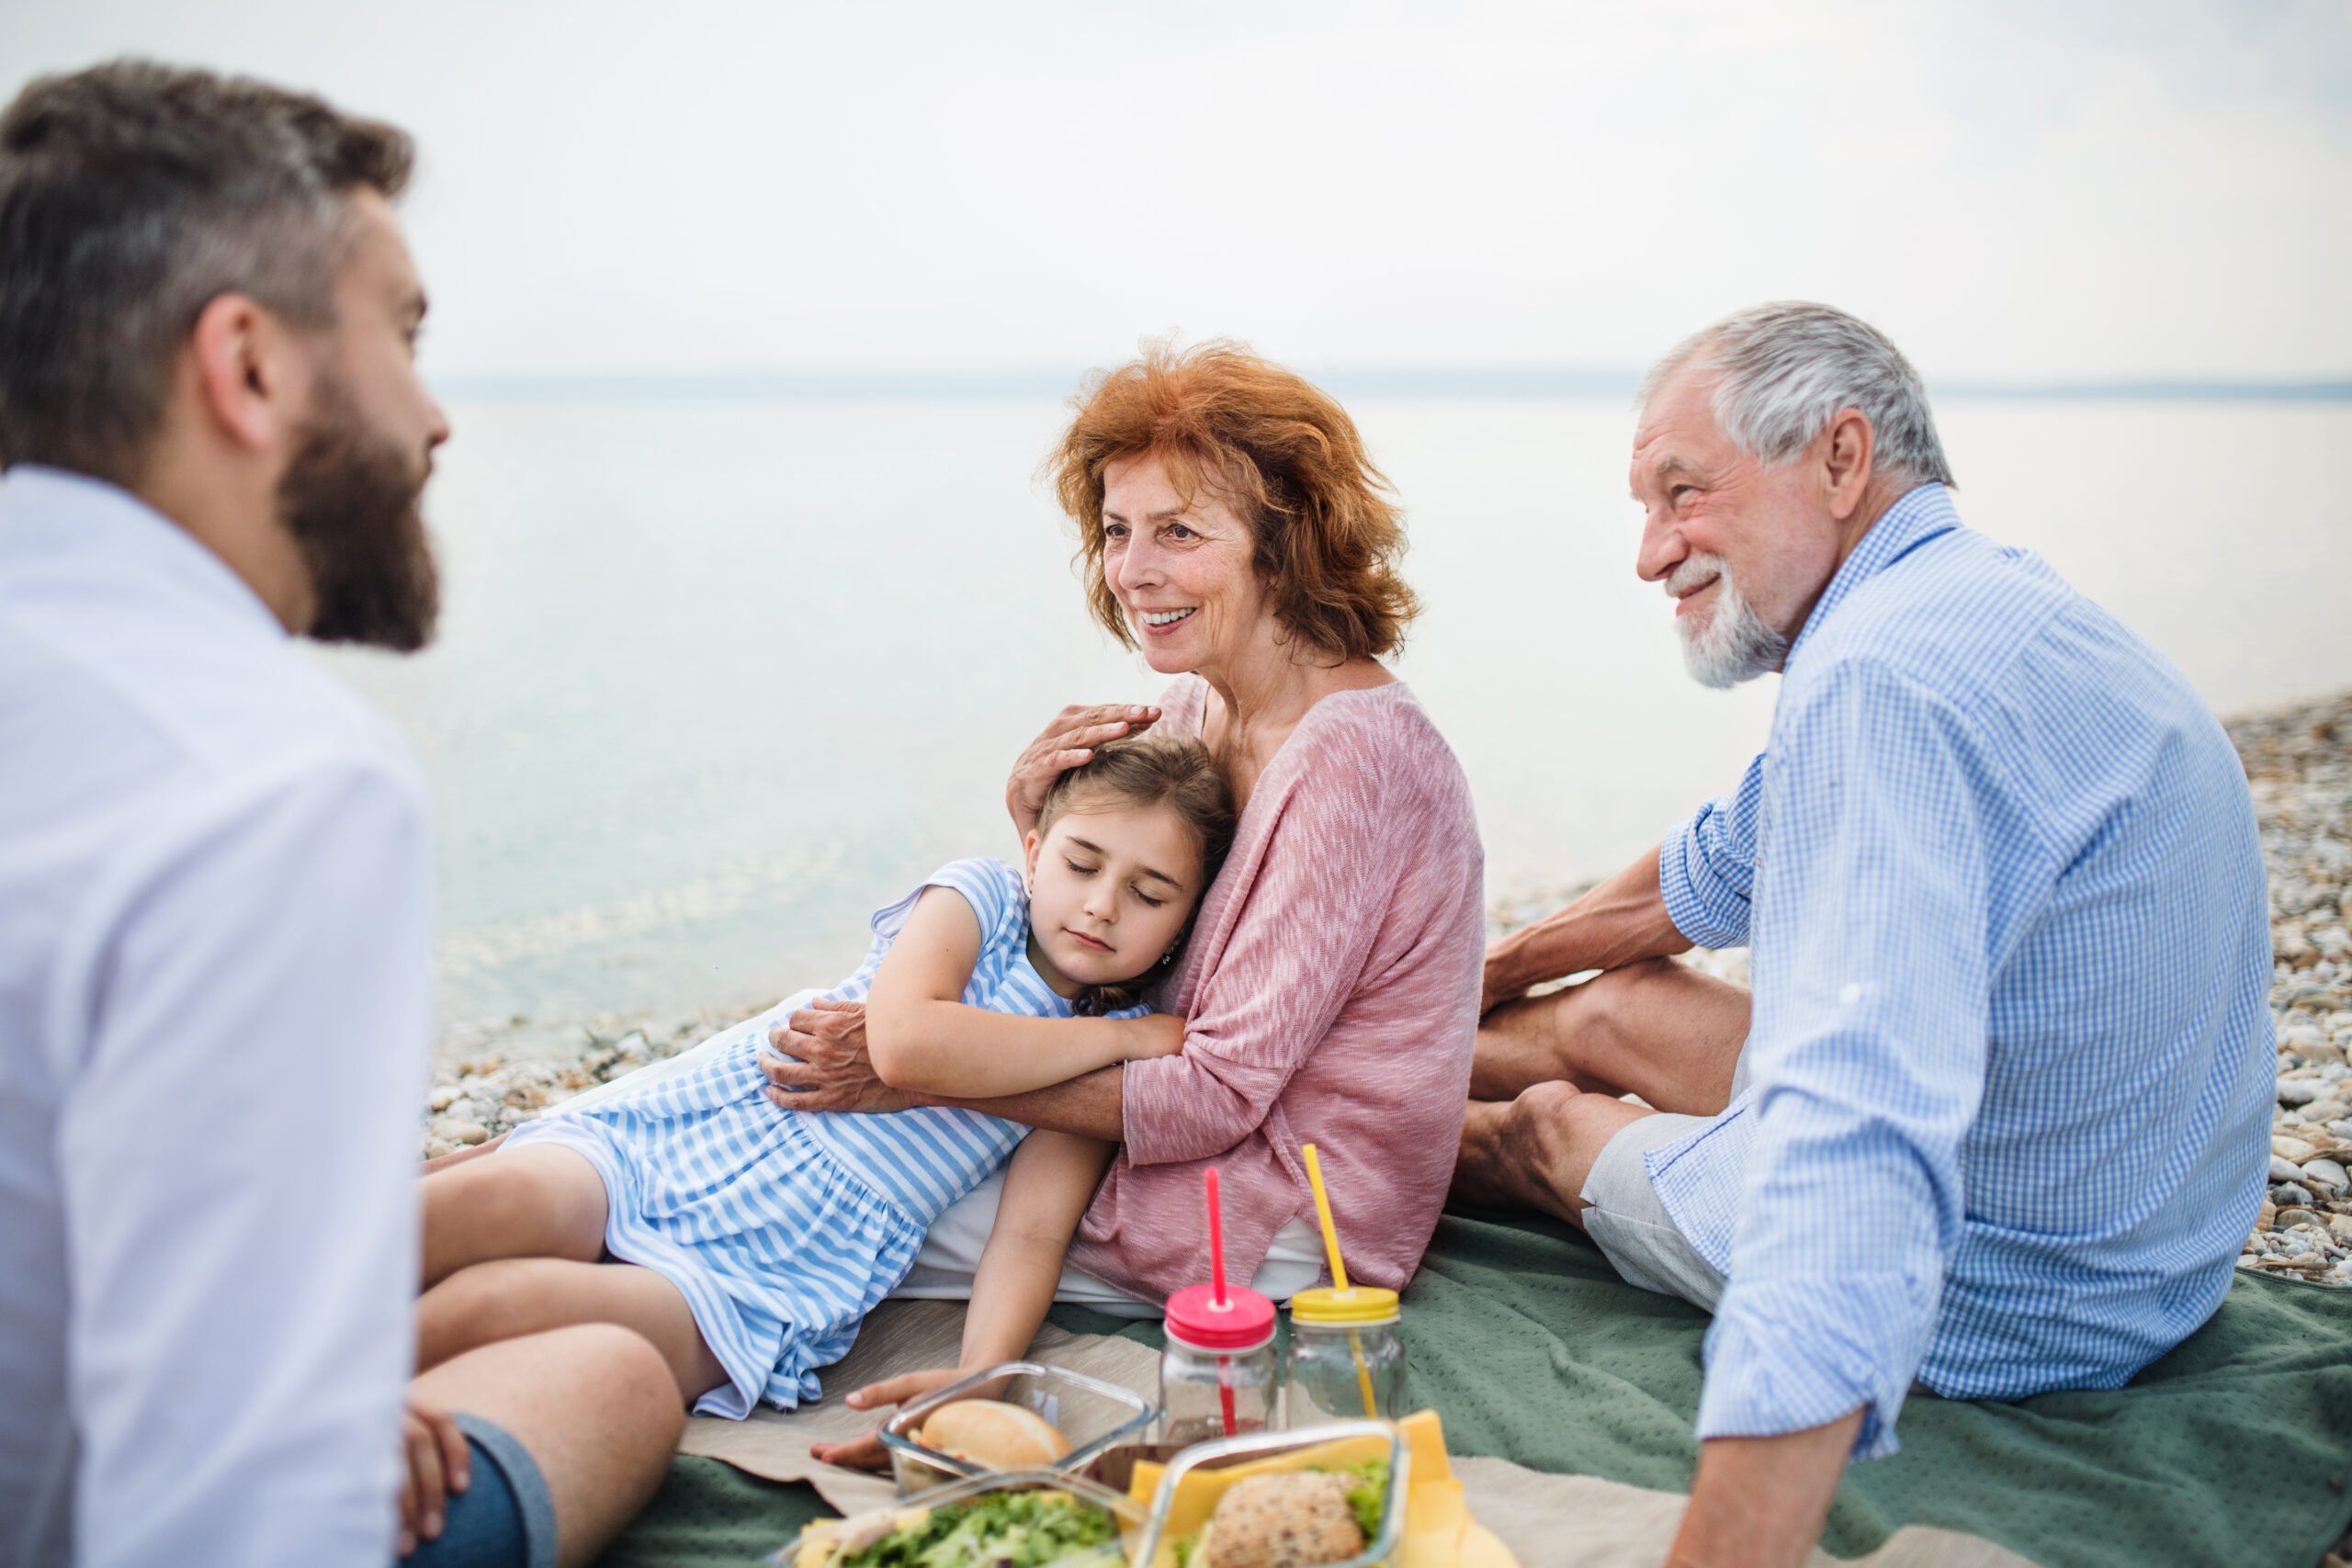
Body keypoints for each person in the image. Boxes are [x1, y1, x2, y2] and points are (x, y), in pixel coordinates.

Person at [1450, 302, 2272, 1568]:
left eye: (1683, 492)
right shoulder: (1974, 607)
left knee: (1558, 1119)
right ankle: (1394, 1056)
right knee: (1613, 1003)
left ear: (1840, 460)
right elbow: (1709, 866)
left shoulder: (1878, 680)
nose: (1650, 550)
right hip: (2149, 1228)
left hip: (2020, 1292)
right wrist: (1465, 982)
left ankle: (1355, 1126)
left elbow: (1857, 1139)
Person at [0, 62, 680, 1568]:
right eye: (406, 335)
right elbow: (236, 1528)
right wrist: (290, 1427)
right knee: (607, 1376)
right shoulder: (260, 775)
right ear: (245, 366)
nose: (435, 418)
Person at [763, 342, 1487, 1359]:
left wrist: (913, 1074)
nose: (1135, 572)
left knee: (805, 1171)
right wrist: (1031, 823)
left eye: (1179, 532)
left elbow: (1214, 1096)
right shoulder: (1197, 706)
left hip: (1273, 1210)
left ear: (1284, 546)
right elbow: (1100, 940)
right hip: (1148, 1134)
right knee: (783, 1101)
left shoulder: (1355, 763)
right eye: (1116, 531)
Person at [416, 737, 1234, 1424]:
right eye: (1082, 863)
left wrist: (984, 1370)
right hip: (711, 1128)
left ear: (1181, 925)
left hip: (787, 1256)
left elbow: (1029, 1234)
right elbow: (910, 1042)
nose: (1099, 906)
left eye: (1148, 893)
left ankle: (331, 1420)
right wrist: (1122, 1036)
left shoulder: (1095, 1065)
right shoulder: (979, 900)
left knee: (493, 1308)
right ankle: (295, 1332)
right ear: (1033, 851)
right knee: (472, 1208)